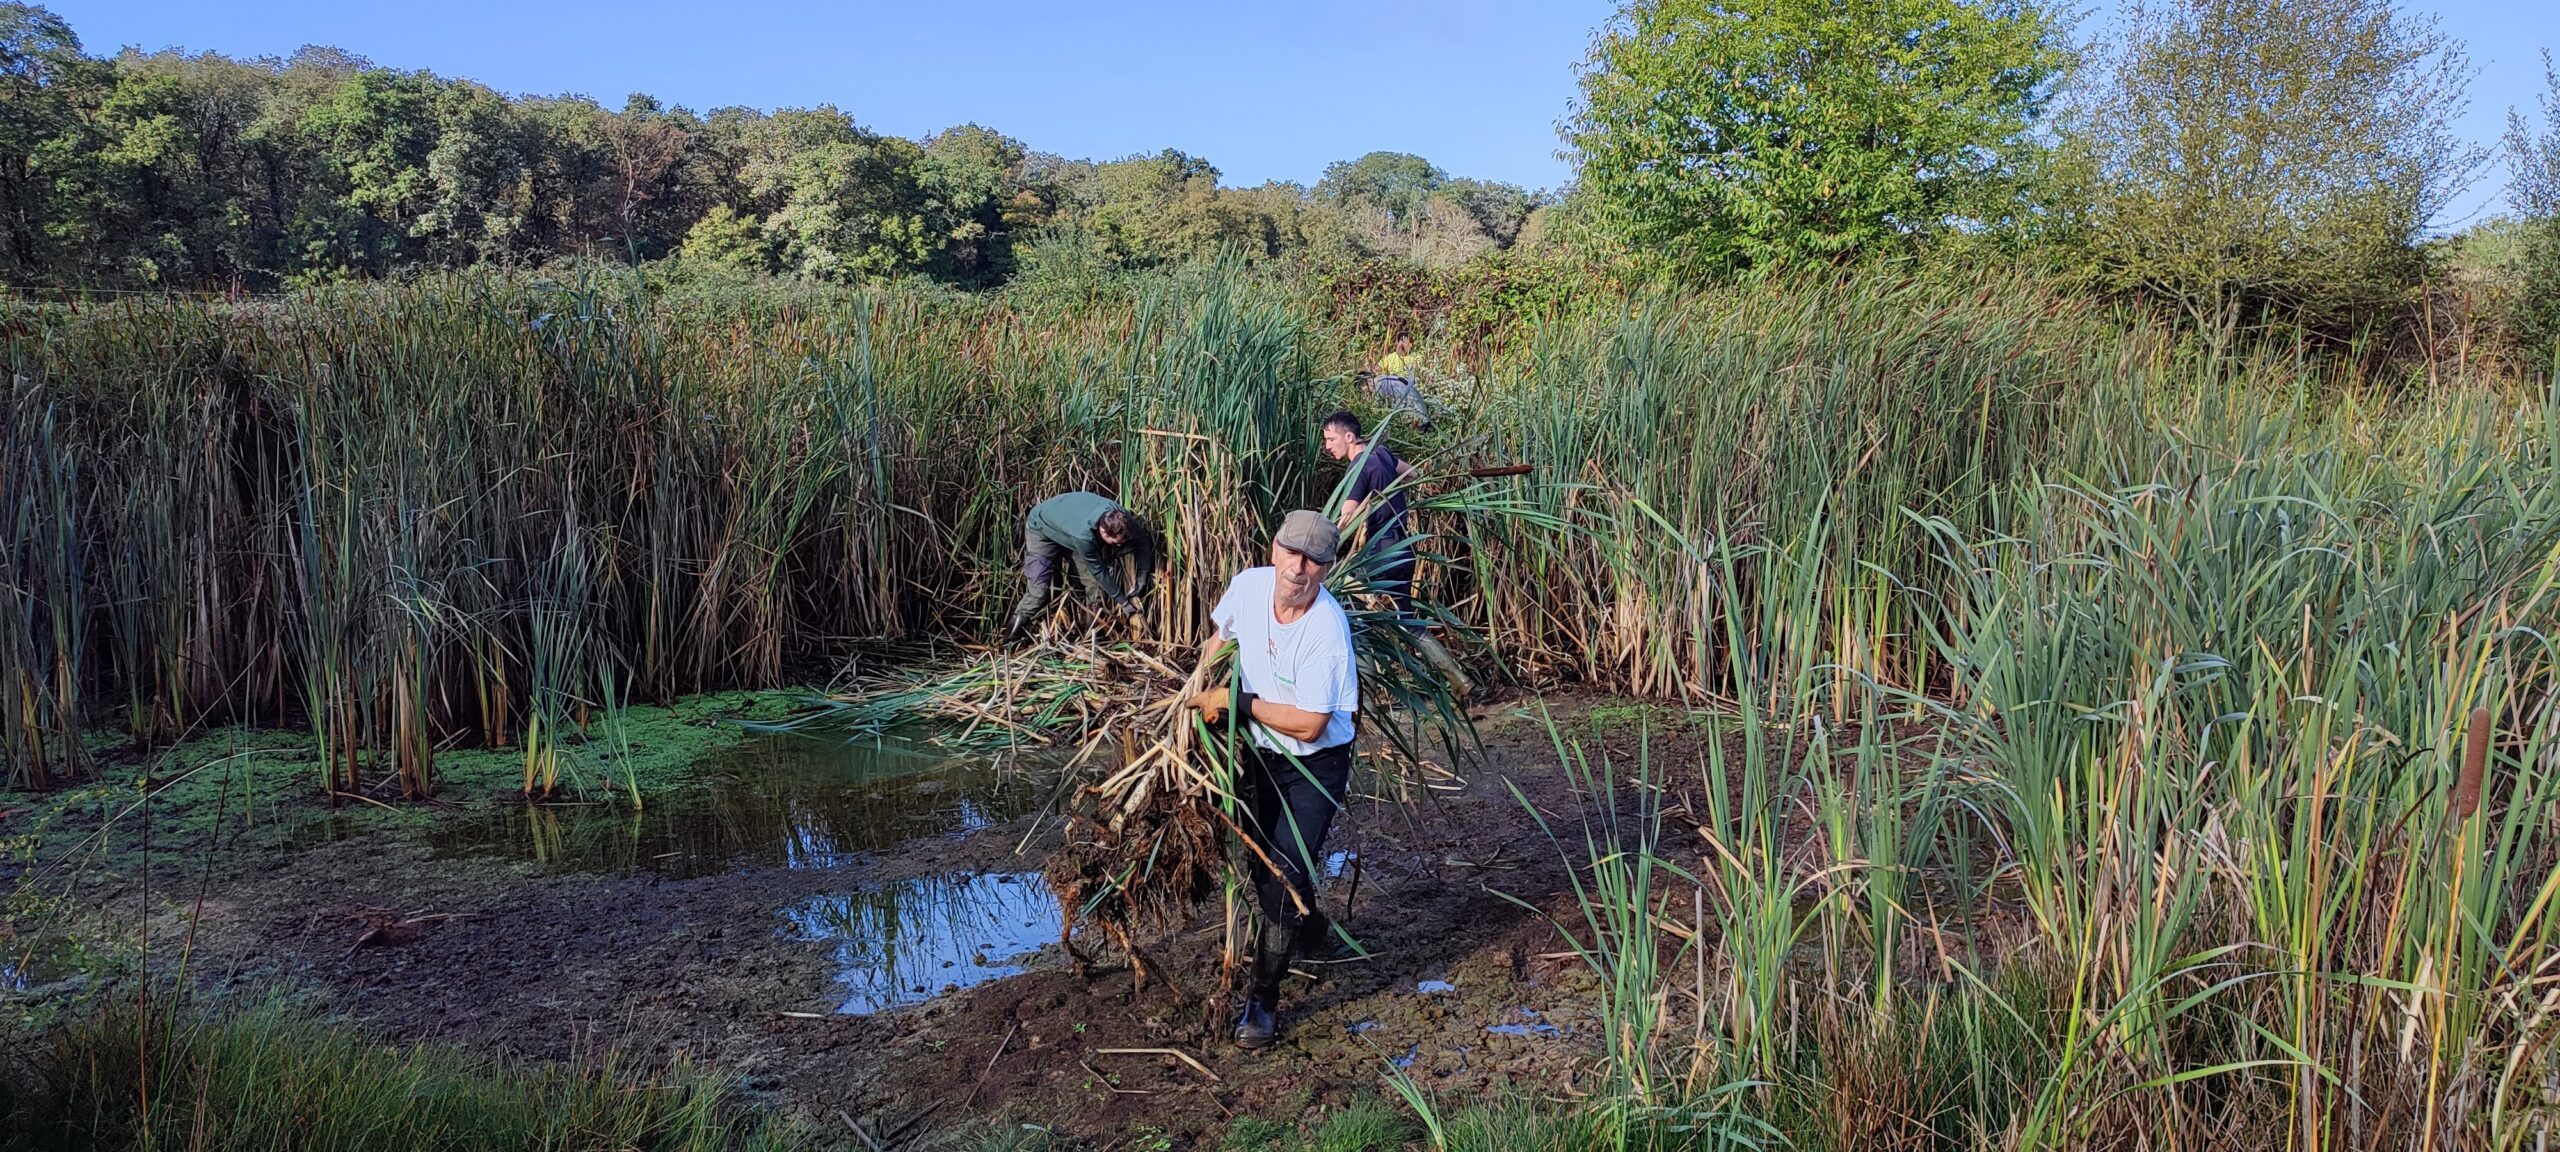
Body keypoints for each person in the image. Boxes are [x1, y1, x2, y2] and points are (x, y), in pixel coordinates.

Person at [1186, 511, 1360, 1050]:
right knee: (1260, 860)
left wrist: (1237, 703)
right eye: (1290, 553)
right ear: (1274, 549)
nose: (1297, 568)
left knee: (1282, 876)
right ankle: (1311, 932)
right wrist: (1197, 691)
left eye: (1311, 561)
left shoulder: (1326, 630)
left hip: (1316, 762)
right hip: (1262, 752)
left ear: (1326, 569)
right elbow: (1221, 637)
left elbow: (1310, 723)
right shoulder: (1249, 587)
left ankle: (1261, 1000)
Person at [1006, 492, 1153, 639]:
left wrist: (1141, 577)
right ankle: (1009, 642)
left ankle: (1091, 639)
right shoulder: (1083, 537)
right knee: (1039, 592)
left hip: (1069, 525)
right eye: (1115, 542)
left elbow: (1143, 541)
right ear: (1102, 531)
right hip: (1042, 528)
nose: (1120, 544)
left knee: (1095, 588)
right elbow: (1099, 572)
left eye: (1122, 540)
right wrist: (1123, 602)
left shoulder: (1122, 519)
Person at [1322, 410, 1417, 615]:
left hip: (1381, 552)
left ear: (1349, 437)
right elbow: (1412, 474)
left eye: (1331, 439)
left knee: (1364, 616)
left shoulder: (1358, 467)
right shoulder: (1382, 453)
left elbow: (1346, 518)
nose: (1327, 446)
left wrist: (1323, 543)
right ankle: (1421, 647)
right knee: (1407, 623)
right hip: (1403, 547)